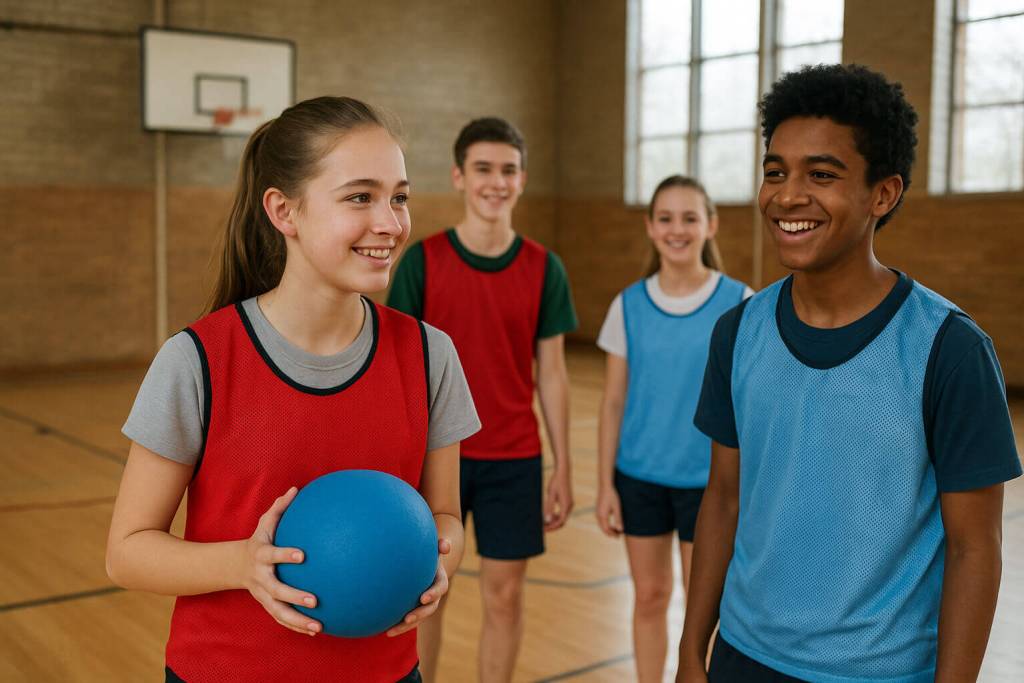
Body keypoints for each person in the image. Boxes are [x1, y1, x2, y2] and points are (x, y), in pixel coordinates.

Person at [105, 96, 480, 683]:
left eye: (399, 196)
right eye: (361, 196)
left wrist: (436, 559)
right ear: (285, 211)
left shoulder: (432, 356)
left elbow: (445, 515)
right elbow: (126, 551)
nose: (391, 222)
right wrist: (244, 563)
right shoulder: (198, 360)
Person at [676, 64, 1022, 683]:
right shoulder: (738, 332)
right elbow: (723, 498)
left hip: (880, 672)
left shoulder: (949, 348)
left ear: (882, 195)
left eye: (822, 175)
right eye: (775, 171)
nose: (787, 195)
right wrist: (688, 650)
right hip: (743, 658)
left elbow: (977, 550)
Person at [387, 117, 577, 683]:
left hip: (513, 459)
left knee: (504, 596)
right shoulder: (422, 262)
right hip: (434, 458)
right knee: (427, 597)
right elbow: (397, 368)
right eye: (484, 169)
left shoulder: (545, 267)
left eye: (509, 170)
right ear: (459, 177)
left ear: (522, 179)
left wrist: (563, 464)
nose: (497, 182)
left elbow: (554, 372)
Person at [595, 175, 751, 683]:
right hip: (639, 479)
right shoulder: (628, 305)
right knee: (650, 596)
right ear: (650, 227)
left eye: (689, 217)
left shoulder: (740, 303)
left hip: (710, 487)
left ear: (711, 225)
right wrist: (603, 487)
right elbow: (613, 401)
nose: (677, 229)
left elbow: (752, 406)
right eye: (666, 218)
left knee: (702, 611)